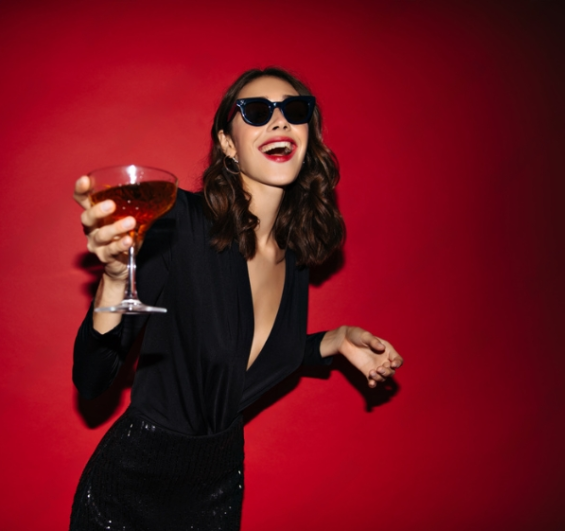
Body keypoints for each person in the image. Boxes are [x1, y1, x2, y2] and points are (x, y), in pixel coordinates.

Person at [69, 67, 403, 531]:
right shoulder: (180, 222)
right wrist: (111, 279)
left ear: (309, 137)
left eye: (295, 111)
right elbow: (91, 379)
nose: (280, 122)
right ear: (228, 144)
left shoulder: (295, 254)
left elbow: (240, 358)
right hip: (132, 488)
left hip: (218, 488)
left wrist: (333, 340)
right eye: (258, 111)